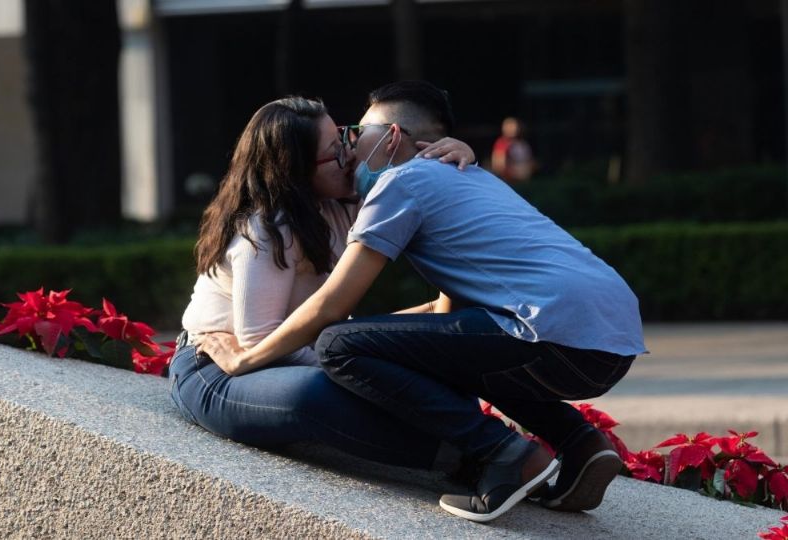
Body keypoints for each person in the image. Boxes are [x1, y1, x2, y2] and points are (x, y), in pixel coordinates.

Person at [198, 82, 646, 523]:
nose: (350, 148)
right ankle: (581, 443)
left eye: (357, 133)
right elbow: (449, 314)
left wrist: (246, 359)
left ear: (392, 138)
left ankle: (503, 455)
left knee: (338, 343)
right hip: (610, 339)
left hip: (551, 333)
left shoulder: (399, 185)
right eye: (340, 142)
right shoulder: (466, 175)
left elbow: (333, 309)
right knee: (443, 353)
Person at [170, 96, 476, 470]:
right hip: (219, 368)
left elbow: (410, 187)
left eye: (345, 138)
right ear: (294, 168)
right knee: (313, 395)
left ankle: (476, 444)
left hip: (288, 354)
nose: (351, 156)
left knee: (431, 359)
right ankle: (463, 458)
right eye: (335, 152)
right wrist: (361, 367)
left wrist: (455, 157)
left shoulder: (338, 204)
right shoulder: (266, 228)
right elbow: (256, 342)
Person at [491, 116, 534, 183]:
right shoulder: (501, 144)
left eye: (514, 126)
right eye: (509, 126)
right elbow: (499, 166)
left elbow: (529, 161)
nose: (512, 129)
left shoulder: (523, 143)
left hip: (525, 179)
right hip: (509, 181)